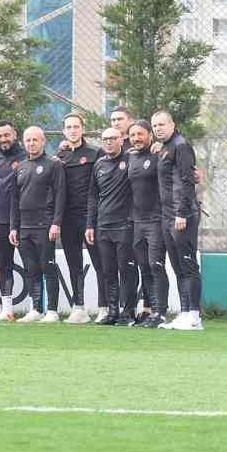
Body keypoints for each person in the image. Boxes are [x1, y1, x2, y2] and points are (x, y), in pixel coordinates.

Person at [152, 110, 203, 330]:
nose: (158, 128)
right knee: (178, 266)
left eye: (162, 124)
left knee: (188, 264)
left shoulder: (181, 145)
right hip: (167, 215)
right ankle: (184, 312)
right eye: (155, 126)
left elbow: (186, 181)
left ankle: (194, 315)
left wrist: (181, 213)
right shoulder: (164, 147)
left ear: (172, 124)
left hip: (182, 215)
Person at [8, 126, 62, 324]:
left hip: (45, 225)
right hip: (24, 227)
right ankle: (36, 308)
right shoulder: (20, 167)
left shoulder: (53, 165)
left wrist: (56, 222)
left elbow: (60, 195)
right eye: (28, 140)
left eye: (35, 140)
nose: (31, 143)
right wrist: (14, 227)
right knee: (31, 269)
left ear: (43, 141)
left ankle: (53, 311)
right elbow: (14, 200)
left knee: (48, 267)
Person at [54, 113, 103, 324]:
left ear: (82, 129)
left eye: (76, 126)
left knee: (100, 262)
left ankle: (105, 307)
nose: (73, 130)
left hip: (91, 217)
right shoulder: (60, 156)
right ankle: (79, 307)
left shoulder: (95, 152)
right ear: (64, 131)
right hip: (67, 218)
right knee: (74, 263)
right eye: (68, 127)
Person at [87, 126, 135, 325]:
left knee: (126, 269)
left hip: (124, 225)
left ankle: (128, 312)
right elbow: (92, 196)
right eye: (105, 138)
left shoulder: (131, 159)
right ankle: (112, 311)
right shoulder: (99, 164)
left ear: (122, 139)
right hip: (102, 226)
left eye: (113, 138)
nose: (108, 142)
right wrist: (90, 224)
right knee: (108, 271)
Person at [125, 121, 167, 327]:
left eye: (140, 134)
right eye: (132, 135)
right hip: (137, 222)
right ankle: (151, 312)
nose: (136, 138)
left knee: (156, 266)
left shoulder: (159, 154)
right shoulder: (130, 156)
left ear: (149, 135)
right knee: (144, 267)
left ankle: (160, 312)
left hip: (157, 221)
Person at [106, 107, 143, 319]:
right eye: (112, 119)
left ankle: (144, 309)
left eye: (120, 119)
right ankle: (113, 310)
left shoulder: (140, 146)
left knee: (138, 266)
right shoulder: (107, 149)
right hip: (110, 221)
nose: (116, 122)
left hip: (135, 219)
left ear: (130, 121)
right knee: (112, 268)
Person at [0, 120, 22, 321]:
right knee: (4, 265)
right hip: (0, 218)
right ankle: (6, 309)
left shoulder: (25, 156)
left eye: (6, 135)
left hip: (23, 218)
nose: (3, 140)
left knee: (33, 264)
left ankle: (39, 309)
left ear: (14, 134)